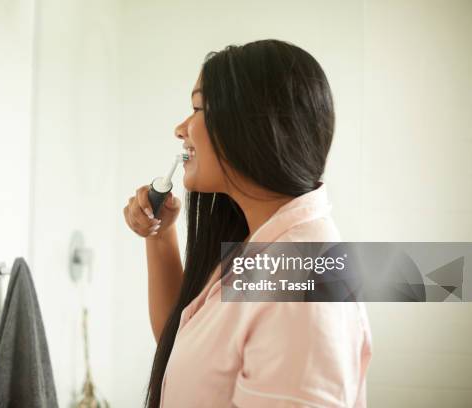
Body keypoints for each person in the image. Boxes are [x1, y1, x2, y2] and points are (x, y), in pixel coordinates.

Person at [123, 39, 372, 408]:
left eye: (196, 108)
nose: (180, 128)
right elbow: (182, 343)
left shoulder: (300, 280)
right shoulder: (262, 246)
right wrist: (159, 236)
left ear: (254, 125)